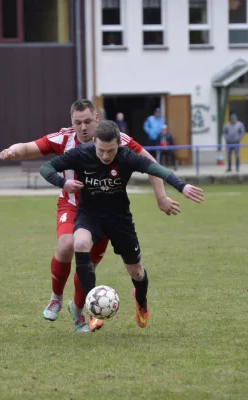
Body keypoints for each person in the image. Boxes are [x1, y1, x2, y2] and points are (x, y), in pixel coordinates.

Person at [0, 99, 181, 333]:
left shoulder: (117, 140)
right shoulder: (64, 139)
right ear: (72, 123)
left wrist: (161, 197)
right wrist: (12, 151)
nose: (83, 127)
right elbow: (28, 148)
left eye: (87, 121)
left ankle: (78, 310)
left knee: (90, 266)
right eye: (77, 123)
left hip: (104, 212)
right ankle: (56, 297)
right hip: (72, 205)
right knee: (67, 244)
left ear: (97, 118)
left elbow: (150, 163)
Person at [40, 120, 204, 329]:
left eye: (110, 150)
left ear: (119, 143)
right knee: (79, 243)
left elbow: (156, 169)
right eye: (101, 150)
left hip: (119, 219)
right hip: (89, 215)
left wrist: (182, 187)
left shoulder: (127, 157)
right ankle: (93, 308)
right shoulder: (82, 153)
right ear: (94, 143)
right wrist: (63, 183)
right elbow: (46, 167)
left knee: (137, 272)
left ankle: (141, 301)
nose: (106, 156)